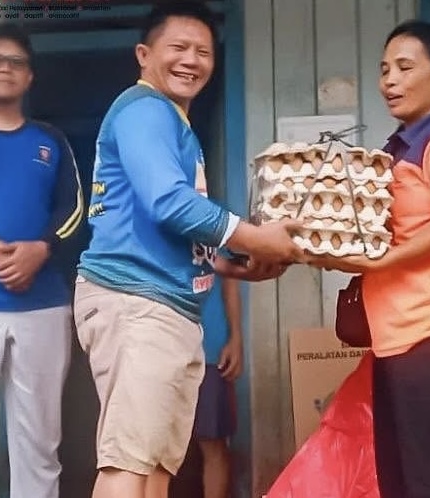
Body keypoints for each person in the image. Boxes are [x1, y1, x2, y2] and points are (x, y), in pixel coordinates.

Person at [73, 2, 303, 498]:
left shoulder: (172, 122)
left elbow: (176, 227)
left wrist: (236, 266)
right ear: (144, 54)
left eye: (203, 52)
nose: (191, 61)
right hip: (137, 299)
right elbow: (169, 203)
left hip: (167, 306)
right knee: (129, 463)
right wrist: (257, 237)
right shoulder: (145, 110)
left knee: (156, 465)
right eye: (178, 47)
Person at [309, 20, 430, 498]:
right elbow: (387, 233)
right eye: (384, 69)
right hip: (402, 328)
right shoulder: (400, 145)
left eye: (404, 67)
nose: (389, 80)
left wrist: (379, 263)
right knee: (401, 477)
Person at [0, 22, 84, 498]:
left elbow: (76, 208)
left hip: (43, 306)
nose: (5, 69)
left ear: (30, 76)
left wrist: (43, 248)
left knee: (39, 445)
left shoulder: (50, 140)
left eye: (16, 62)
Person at [194, 278, 242, 498]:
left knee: (213, 442)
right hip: (164, 349)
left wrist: (236, 339)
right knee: (153, 448)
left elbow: (230, 282)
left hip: (211, 348)